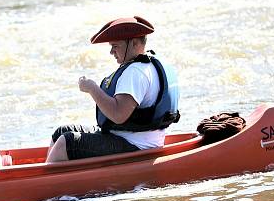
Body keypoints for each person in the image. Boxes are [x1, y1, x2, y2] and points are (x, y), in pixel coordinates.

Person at [46, 16, 180, 163]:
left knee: (67, 142)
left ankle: (44, 183)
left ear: (134, 43)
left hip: (136, 146)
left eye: (115, 46)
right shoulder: (147, 65)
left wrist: (92, 88)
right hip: (133, 139)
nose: (111, 52)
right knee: (61, 132)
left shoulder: (135, 72)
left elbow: (118, 115)